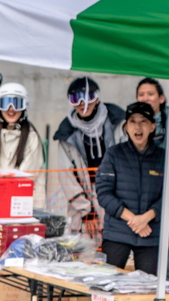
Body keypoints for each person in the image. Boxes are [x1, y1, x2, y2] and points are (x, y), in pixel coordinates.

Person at [84, 102, 165, 301]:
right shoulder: (115, 154)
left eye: (144, 121)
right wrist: (133, 219)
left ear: (153, 126)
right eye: (133, 122)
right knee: (103, 287)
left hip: (150, 234)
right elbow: (104, 193)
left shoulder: (163, 157)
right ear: (126, 126)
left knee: (149, 291)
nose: (138, 127)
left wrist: (147, 218)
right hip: (119, 231)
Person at [53, 77, 126, 240]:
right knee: (84, 251)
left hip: (116, 196)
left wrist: (121, 202)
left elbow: (126, 163)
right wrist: (87, 211)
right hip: (84, 201)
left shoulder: (118, 123)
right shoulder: (67, 133)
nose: (81, 103)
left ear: (97, 98)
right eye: (75, 98)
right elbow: (66, 175)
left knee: (116, 247)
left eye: (87, 97)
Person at [0, 82, 45, 206]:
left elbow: (27, 177)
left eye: (16, 103)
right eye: (5, 103)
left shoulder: (31, 137)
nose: (11, 109)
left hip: (23, 205)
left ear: (24, 106)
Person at [136, 77, 169, 147]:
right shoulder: (129, 122)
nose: (145, 99)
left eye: (150, 94)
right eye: (141, 95)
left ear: (161, 99)